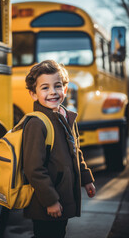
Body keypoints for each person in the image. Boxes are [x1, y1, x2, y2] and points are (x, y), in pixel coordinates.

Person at [22, 60, 96, 238]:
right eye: (45, 88)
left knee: (58, 233)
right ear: (33, 94)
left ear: (65, 88)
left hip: (63, 195)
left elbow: (76, 152)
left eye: (57, 86)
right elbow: (34, 169)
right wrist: (51, 201)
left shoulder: (65, 117)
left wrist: (86, 179)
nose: (53, 92)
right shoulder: (36, 124)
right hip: (45, 202)